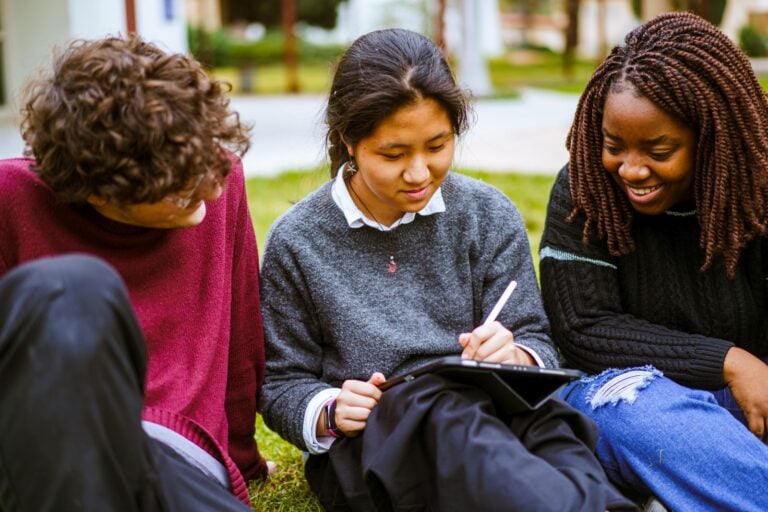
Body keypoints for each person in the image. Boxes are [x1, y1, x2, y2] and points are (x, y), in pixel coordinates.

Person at [258, 28, 635, 512]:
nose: (419, 173)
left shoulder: (488, 214)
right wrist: (329, 410)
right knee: (450, 415)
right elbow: (281, 383)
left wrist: (515, 354)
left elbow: (537, 339)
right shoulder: (298, 239)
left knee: (556, 434)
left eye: (437, 146)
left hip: (496, 412)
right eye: (393, 155)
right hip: (380, 438)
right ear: (349, 140)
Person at [0, 35, 268, 511]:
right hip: (49, 444)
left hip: (177, 457)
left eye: (206, 154)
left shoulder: (223, 180)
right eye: (178, 181)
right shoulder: (11, 199)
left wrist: (243, 461)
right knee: (76, 286)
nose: (208, 186)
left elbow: (241, 341)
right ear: (98, 189)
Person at [539, 11, 768, 511]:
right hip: (634, 404)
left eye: (659, 150)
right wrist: (729, 362)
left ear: (710, 139)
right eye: (613, 146)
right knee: (632, 408)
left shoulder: (757, 188)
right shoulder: (584, 191)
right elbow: (582, 328)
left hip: (755, 400)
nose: (632, 169)